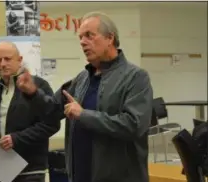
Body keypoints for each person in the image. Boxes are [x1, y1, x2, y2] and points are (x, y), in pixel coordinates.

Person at [17, 11, 153, 182]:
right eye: (80, 37)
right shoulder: (81, 79)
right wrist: (33, 92)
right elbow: (53, 110)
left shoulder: (135, 77)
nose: (82, 42)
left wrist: (83, 115)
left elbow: (134, 125)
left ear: (110, 38)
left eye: (89, 35)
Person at [0, 41, 60, 182]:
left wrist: (17, 139)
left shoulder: (38, 85)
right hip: (3, 170)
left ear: (19, 60)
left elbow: (52, 124)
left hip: (30, 172)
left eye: (7, 59)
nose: (3, 64)